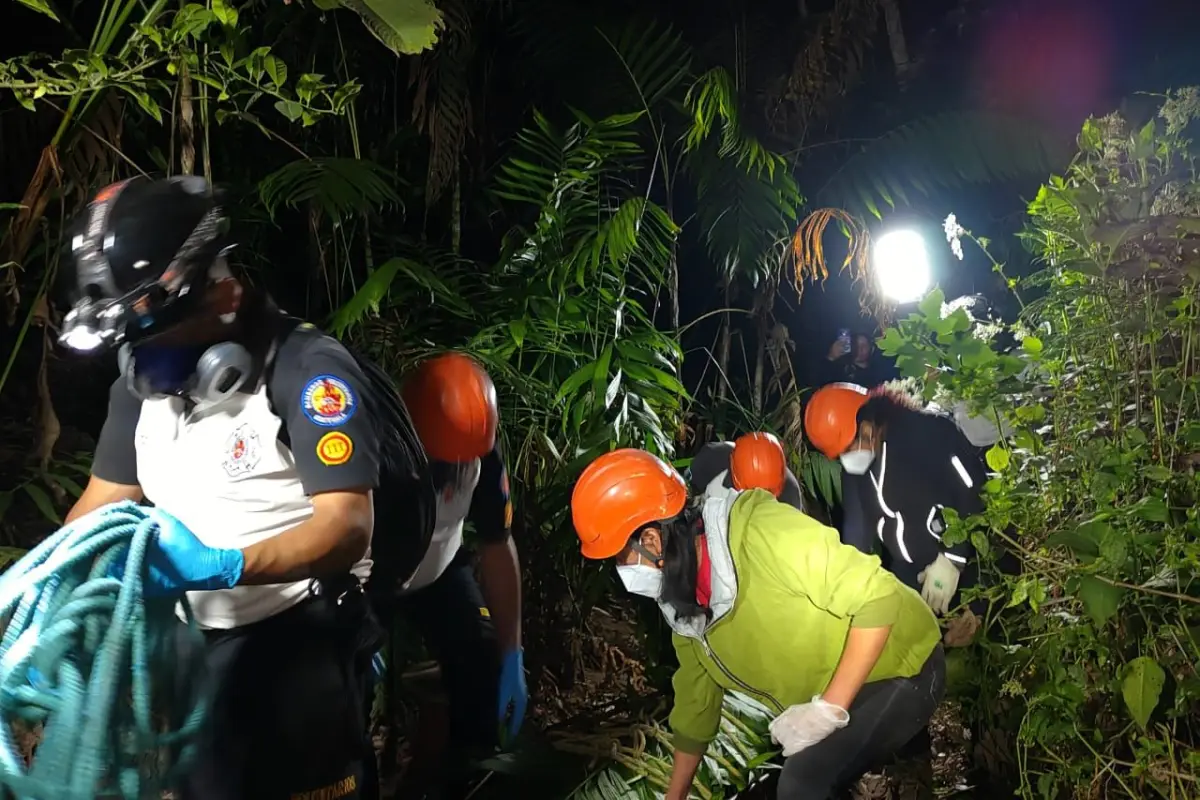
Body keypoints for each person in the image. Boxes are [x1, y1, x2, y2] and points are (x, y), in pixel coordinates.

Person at [59, 176, 435, 800]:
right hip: (193, 653)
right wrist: (34, 593)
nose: (133, 357)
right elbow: (99, 505)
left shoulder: (307, 371)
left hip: (298, 649)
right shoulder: (141, 385)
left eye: (144, 333)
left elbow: (346, 525)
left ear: (211, 292)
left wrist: (225, 565)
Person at [570, 449, 945, 800]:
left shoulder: (759, 531)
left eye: (621, 556)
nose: (622, 571)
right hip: (846, 687)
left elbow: (877, 597)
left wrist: (827, 710)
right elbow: (695, 708)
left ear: (651, 538)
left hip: (904, 660)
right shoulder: (685, 609)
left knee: (802, 781)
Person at [395, 352, 527, 797]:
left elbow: (496, 544)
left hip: (439, 568)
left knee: (480, 660)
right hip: (369, 577)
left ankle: (466, 774)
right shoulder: (378, 447)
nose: (455, 474)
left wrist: (512, 653)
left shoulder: (481, 452)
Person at [804, 382, 984, 615]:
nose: (847, 458)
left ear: (867, 427)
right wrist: (850, 580)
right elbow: (856, 528)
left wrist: (953, 558)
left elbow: (974, 492)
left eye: (849, 448)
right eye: (841, 454)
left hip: (963, 563)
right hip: (906, 571)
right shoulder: (856, 469)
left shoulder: (929, 434)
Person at [686, 432, 806, 512]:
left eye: (766, 492)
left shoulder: (790, 494)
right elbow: (686, 492)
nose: (758, 496)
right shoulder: (711, 458)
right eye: (751, 490)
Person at [821, 332, 893, 389]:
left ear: (872, 349)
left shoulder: (878, 373)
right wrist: (831, 357)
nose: (859, 349)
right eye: (856, 345)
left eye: (864, 345)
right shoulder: (842, 371)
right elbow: (822, 384)